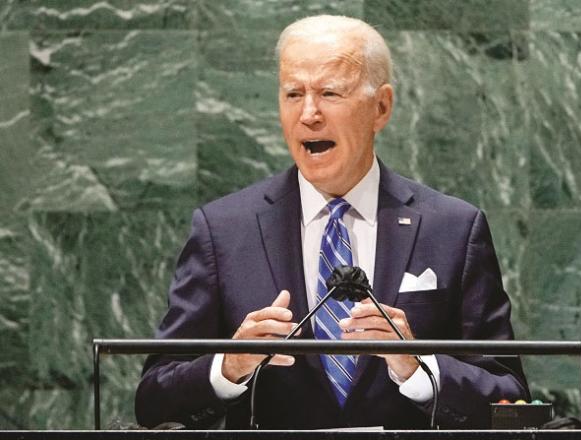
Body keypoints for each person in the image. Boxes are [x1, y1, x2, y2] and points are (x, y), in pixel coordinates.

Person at [135, 15, 529, 430]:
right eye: (292, 93)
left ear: (381, 107)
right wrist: (229, 366)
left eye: (329, 93)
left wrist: (417, 365)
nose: (308, 114)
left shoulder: (452, 229)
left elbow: (510, 398)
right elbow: (154, 400)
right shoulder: (224, 230)